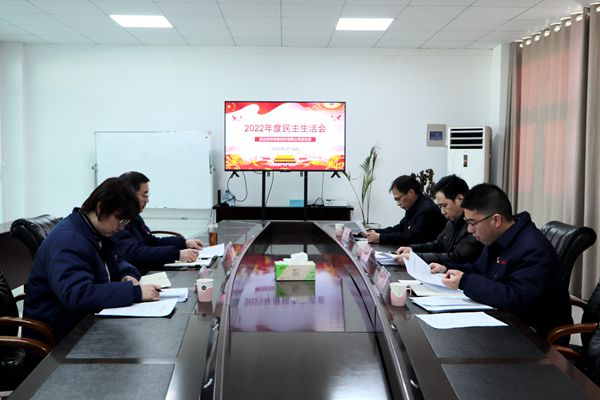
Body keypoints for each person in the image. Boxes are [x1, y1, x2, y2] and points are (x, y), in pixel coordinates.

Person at [24, 178, 161, 342]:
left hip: (85, 322)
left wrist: (126, 275)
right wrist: (135, 293)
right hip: (59, 337)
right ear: (100, 208)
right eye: (120, 220)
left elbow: (118, 260)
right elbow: (78, 295)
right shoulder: (69, 240)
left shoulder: (94, 232)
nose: (122, 227)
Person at [429, 183, 572, 337]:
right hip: (503, 319)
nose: (469, 230)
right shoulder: (497, 237)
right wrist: (447, 268)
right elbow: (479, 268)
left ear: (496, 220)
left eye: (472, 223)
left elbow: (516, 298)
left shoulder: (534, 250)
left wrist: (465, 281)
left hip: (532, 336)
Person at [113, 171, 203, 275]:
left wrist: (184, 243)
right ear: (130, 195)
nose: (147, 200)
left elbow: (151, 242)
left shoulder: (134, 217)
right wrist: (176, 254)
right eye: (144, 195)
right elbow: (134, 254)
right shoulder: (117, 222)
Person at [393, 175, 482, 265]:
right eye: (440, 206)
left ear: (460, 199)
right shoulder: (452, 221)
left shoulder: (473, 226)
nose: (442, 212)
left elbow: (456, 258)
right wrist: (412, 249)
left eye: (444, 206)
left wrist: (416, 258)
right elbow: (438, 244)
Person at [366, 175, 445, 246]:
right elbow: (399, 228)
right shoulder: (414, 206)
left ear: (411, 192)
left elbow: (412, 237)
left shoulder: (427, 210)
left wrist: (380, 237)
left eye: (398, 199)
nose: (398, 204)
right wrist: (374, 232)